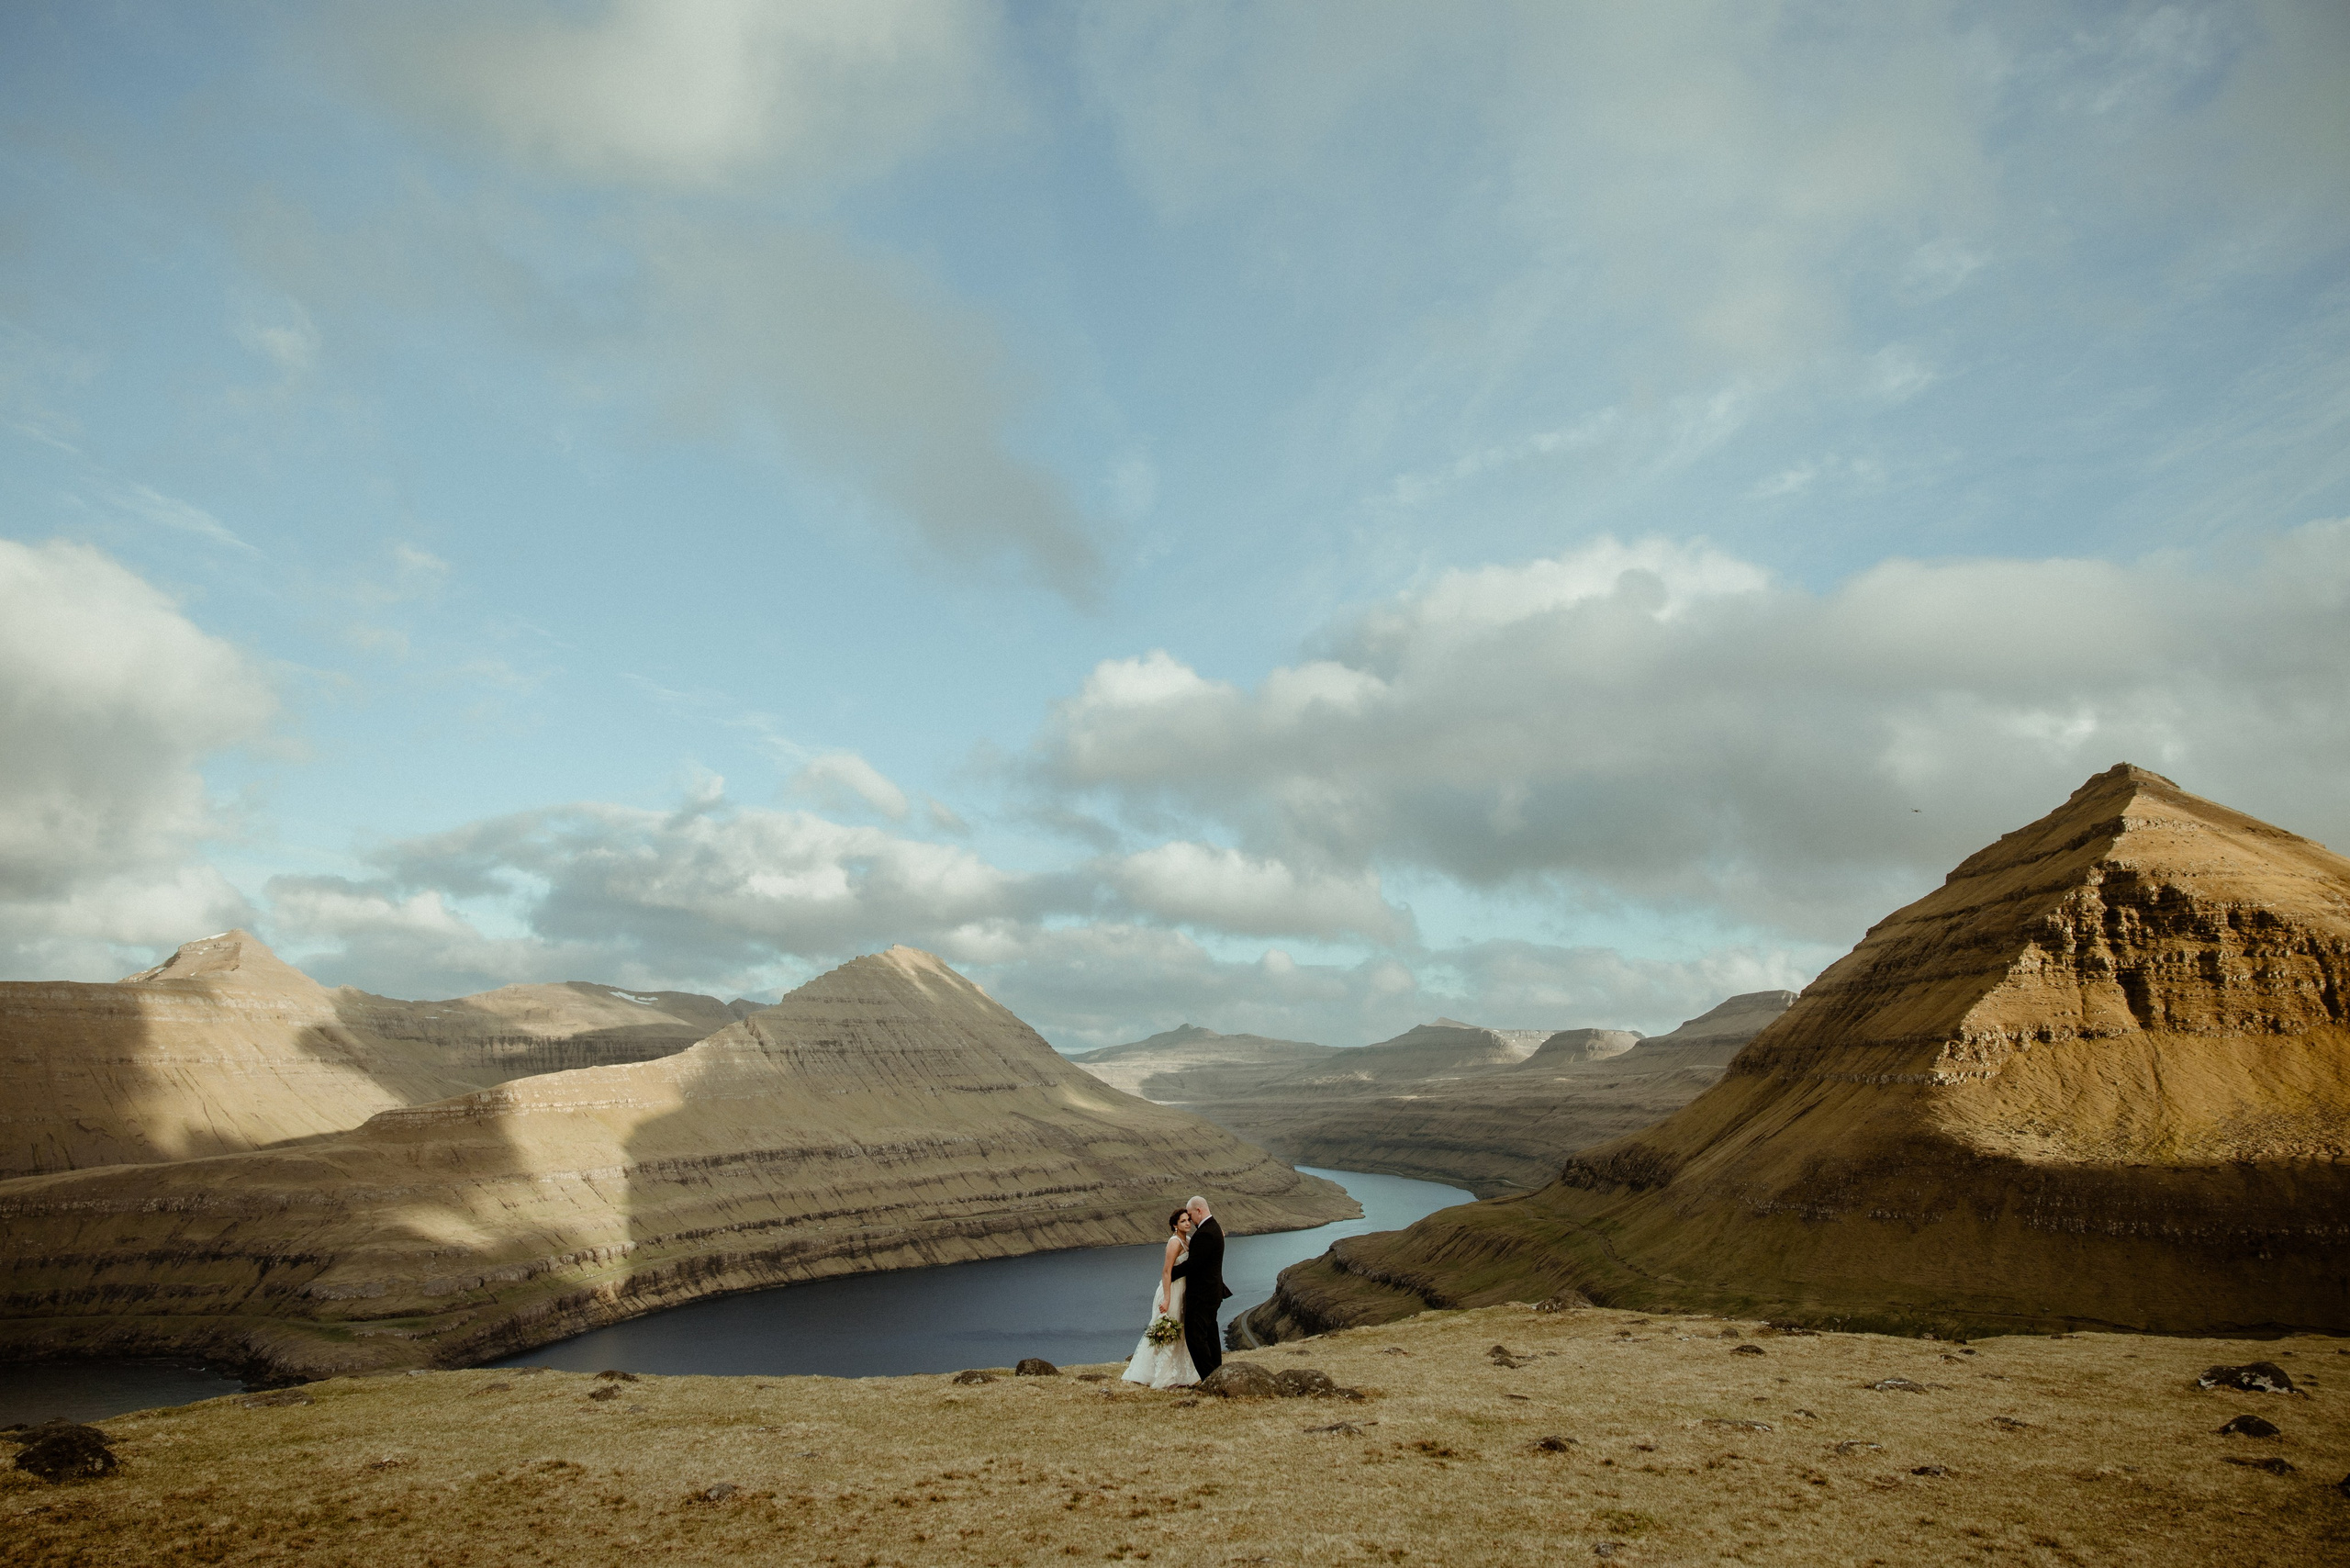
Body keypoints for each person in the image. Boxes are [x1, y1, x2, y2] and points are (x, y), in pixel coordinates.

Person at [1121, 1209, 1200, 1389]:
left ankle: (1180, 1374)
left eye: (1188, 1220)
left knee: (1181, 1331)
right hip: (1171, 1290)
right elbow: (1166, 1271)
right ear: (1174, 1225)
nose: (1187, 1223)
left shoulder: (1187, 1240)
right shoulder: (1174, 1242)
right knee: (1168, 1332)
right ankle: (1164, 1379)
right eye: (1183, 1221)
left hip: (1183, 1290)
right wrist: (1167, 1299)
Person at [1172, 1194, 1229, 1378]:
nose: (1189, 1219)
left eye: (1190, 1215)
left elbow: (1194, 1264)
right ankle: (1216, 1375)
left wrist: (1170, 1273)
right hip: (1212, 1292)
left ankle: (1209, 1378)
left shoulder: (1205, 1233)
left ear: (1199, 1210)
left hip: (1202, 1295)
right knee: (1210, 1334)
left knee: (1195, 1337)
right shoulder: (1214, 1227)